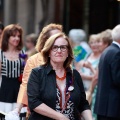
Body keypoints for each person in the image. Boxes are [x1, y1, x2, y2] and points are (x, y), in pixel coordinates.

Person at [27, 33, 93, 120]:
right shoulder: (37, 73)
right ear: (48, 52)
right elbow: (34, 102)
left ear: (68, 52)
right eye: (54, 47)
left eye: (63, 47)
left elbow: (83, 104)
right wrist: (61, 117)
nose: (59, 51)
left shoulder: (75, 74)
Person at [8, 23, 63, 117]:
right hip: (40, 110)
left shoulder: (66, 59)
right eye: (55, 38)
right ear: (46, 40)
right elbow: (26, 84)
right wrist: (18, 109)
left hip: (63, 109)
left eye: (60, 37)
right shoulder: (34, 60)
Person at [94, 25, 120, 120]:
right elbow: (117, 79)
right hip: (113, 107)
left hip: (105, 106)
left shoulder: (108, 51)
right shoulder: (117, 52)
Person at [0, 24, 25, 118]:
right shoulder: (1, 53)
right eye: (13, 36)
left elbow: (26, 72)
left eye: (18, 36)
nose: (17, 38)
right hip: (4, 88)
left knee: (18, 115)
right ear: (7, 37)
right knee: (3, 114)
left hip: (18, 88)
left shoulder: (22, 52)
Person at [88, 29, 113, 120]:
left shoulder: (105, 55)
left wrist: (90, 91)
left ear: (106, 43)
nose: (97, 44)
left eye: (99, 42)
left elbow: (97, 77)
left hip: (98, 92)